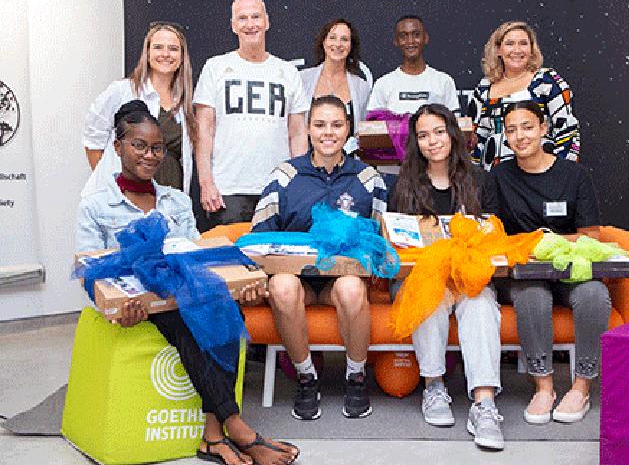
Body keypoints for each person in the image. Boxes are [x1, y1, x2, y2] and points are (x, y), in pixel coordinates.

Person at [77, 100, 299, 465]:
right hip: (142, 305)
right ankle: (235, 425)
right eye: (139, 145)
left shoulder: (177, 202)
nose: (149, 155)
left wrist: (238, 287)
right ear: (117, 147)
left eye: (157, 148)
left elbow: (198, 258)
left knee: (223, 309)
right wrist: (118, 306)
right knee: (187, 318)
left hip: (184, 296)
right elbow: (90, 272)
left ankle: (213, 435)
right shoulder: (95, 206)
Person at [251, 95, 387, 421]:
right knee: (282, 286)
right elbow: (259, 238)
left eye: (336, 125)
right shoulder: (285, 175)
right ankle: (306, 377)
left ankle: (356, 376)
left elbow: (383, 240)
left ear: (348, 129)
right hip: (297, 282)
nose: (328, 132)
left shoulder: (369, 179)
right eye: (320, 124)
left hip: (341, 282)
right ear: (309, 129)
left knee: (351, 288)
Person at [388, 103, 504, 450]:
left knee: (481, 304)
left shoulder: (480, 180)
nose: (432, 141)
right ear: (416, 142)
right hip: (421, 278)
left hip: (469, 277)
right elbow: (395, 242)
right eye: (423, 135)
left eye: (439, 132)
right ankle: (434, 387)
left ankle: (484, 404)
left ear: (453, 134)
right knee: (431, 296)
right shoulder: (404, 184)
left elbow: (495, 234)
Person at [491, 100, 610, 425]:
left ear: (543, 128)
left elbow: (590, 235)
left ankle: (582, 386)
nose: (520, 136)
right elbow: (493, 233)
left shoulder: (575, 175)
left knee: (594, 295)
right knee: (532, 296)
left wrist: (545, 243)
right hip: (524, 274)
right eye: (511, 130)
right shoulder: (499, 176)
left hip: (572, 271)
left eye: (527, 127)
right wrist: (529, 245)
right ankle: (543, 386)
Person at [194, 0, 310, 228]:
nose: (250, 24)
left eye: (256, 17)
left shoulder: (287, 72)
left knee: (277, 252)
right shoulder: (215, 67)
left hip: (278, 188)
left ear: (267, 22)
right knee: (230, 252)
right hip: (228, 190)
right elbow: (204, 131)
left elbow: (298, 133)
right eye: (242, 18)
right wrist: (206, 183)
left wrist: (297, 184)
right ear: (233, 25)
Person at [82, 21, 196, 196]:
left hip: (170, 196)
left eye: (173, 49)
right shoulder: (122, 91)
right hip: (126, 196)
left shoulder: (185, 102)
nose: (165, 54)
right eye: (158, 47)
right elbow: (92, 141)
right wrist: (111, 187)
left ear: (182, 57)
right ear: (147, 54)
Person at [468, 21, 580, 171]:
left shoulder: (546, 81)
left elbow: (568, 131)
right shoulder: (484, 87)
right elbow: (474, 139)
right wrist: (474, 176)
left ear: (532, 49)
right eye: (510, 44)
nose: (517, 50)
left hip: (540, 175)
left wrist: (561, 175)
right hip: (494, 176)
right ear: (498, 50)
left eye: (523, 43)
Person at [301, 18, 371, 154]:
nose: (338, 44)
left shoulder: (361, 87)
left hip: (348, 163)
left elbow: (363, 133)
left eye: (344, 39)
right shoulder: (302, 80)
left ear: (351, 46)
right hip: (308, 162)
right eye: (332, 38)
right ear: (323, 42)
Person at [366, 15, 460, 115]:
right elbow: (374, 122)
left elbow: (455, 122)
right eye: (403, 36)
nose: (410, 41)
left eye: (416, 35)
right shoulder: (383, 84)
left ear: (425, 38)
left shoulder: (444, 81)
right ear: (396, 41)